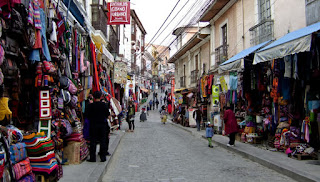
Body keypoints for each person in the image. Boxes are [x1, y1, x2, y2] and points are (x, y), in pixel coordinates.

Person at [86, 91, 110, 162]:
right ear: (101, 97)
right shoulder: (104, 105)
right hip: (102, 125)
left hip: (93, 125)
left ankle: (92, 158)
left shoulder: (90, 105)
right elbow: (108, 115)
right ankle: (103, 157)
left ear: (93, 97)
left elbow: (87, 116)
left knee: (93, 141)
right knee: (103, 141)